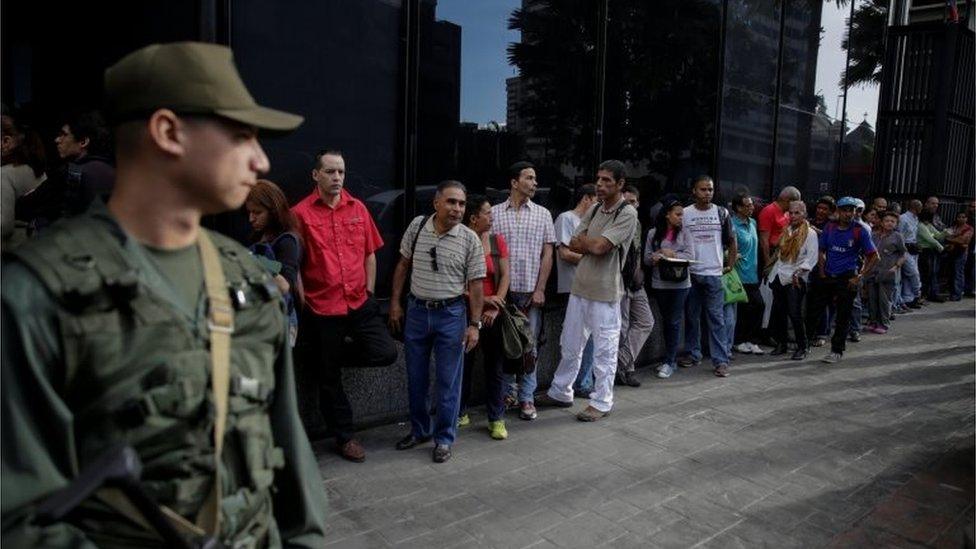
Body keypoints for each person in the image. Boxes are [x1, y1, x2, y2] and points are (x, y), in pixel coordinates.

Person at [1, 42, 327, 547]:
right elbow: (16, 518)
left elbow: (290, 457)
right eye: (241, 135)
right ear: (168, 132)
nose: (260, 159)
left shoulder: (247, 279)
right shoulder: (36, 294)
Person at [291, 149, 397, 463]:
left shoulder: (358, 208)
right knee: (328, 380)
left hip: (358, 300)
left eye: (341, 172)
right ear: (316, 175)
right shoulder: (300, 214)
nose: (337, 178)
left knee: (386, 352)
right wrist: (303, 301)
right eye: (330, 172)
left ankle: (327, 360)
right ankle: (345, 437)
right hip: (322, 308)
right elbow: (293, 263)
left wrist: (368, 287)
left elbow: (369, 252)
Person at [389, 180, 486, 463]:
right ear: (436, 203)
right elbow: (402, 265)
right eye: (451, 202)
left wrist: (474, 325)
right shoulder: (417, 226)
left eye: (461, 203)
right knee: (416, 379)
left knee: (448, 382)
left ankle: (444, 438)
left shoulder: (470, 239)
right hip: (417, 312)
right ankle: (420, 431)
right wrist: (394, 303)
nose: (457, 208)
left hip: (452, 315)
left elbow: (477, 285)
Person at [535, 160, 637, 421]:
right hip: (580, 287)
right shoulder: (594, 209)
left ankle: (602, 401)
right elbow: (573, 242)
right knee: (570, 344)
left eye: (607, 181)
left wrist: (591, 243)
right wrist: (591, 244)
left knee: (605, 349)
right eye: (599, 179)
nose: (600, 185)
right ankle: (561, 391)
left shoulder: (627, 213)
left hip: (605, 291)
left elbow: (600, 247)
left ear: (620, 184)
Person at [490, 161, 556, 421]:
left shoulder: (543, 214)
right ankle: (506, 394)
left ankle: (527, 398)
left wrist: (540, 288)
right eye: (529, 178)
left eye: (535, 178)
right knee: (504, 347)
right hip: (502, 294)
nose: (534, 183)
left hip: (530, 293)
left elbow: (548, 253)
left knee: (529, 348)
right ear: (514, 182)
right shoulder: (494, 213)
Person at [457, 195, 510, 440]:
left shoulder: (497, 241)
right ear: (474, 217)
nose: (492, 216)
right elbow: (456, 284)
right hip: (465, 312)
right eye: (487, 213)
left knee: (495, 367)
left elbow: (505, 276)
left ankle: (496, 418)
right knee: (462, 366)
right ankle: (459, 412)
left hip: (492, 315)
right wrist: (482, 300)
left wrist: (495, 304)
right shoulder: (459, 241)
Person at [805, 197, 878, 364]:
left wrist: (860, 276)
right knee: (814, 310)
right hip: (828, 276)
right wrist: (822, 271)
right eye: (844, 210)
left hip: (847, 277)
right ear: (838, 211)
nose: (848, 214)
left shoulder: (860, 230)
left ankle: (837, 350)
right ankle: (805, 344)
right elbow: (821, 250)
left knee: (843, 316)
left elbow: (874, 256)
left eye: (851, 210)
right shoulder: (830, 228)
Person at [678, 175, 737, 377]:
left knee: (716, 318)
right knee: (692, 317)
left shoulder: (721, 213)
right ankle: (693, 354)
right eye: (703, 189)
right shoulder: (685, 214)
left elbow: (731, 240)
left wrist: (729, 265)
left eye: (710, 189)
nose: (707, 193)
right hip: (691, 273)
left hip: (713, 273)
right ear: (694, 191)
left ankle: (721, 360)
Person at [245, 179, 302, 346]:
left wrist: (255, 260)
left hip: (279, 321)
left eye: (257, 212)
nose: (251, 218)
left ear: (273, 211)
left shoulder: (287, 241)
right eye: (249, 212)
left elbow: (285, 285)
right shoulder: (259, 237)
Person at [554, 184, 597, 396]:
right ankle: (569, 383)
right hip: (571, 286)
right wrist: (592, 260)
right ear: (586, 199)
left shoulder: (593, 223)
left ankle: (584, 381)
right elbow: (564, 253)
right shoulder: (567, 218)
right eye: (596, 200)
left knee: (589, 336)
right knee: (572, 338)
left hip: (590, 287)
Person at [644, 199, 694, 379]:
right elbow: (646, 259)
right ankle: (667, 357)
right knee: (666, 320)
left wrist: (673, 254)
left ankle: (670, 361)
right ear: (667, 214)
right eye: (678, 214)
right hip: (660, 282)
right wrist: (657, 256)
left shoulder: (686, 233)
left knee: (674, 321)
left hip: (681, 283)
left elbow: (690, 256)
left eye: (683, 215)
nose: (681, 218)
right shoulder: (653, 234)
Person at [768, 201, 819, 360]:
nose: (793, 216)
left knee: (795, 313)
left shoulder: (810, 233)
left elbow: (812, 257)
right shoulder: (787, 230)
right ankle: (782, 344)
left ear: (804, 214)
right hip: (780, 275)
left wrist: (799, 272)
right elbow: (780, 254)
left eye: (797, 213)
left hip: (796, 278)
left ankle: (803, 346)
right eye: (791, 213)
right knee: (779, 312)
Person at [615, 185, 653, 387]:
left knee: (646, 321)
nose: (629, 206)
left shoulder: (637, 223)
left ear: (637, 204)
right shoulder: (618, 221)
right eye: (625, 202)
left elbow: (636, 252)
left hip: (635, 282)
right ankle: (627, 370)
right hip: (619, 281)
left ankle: (618, 363)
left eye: (632, 202)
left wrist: (638, 273)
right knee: (622, 327)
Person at [0, 107, 46, 249]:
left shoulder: (4, 174)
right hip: (37, 248)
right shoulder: (36, 170)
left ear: (6, 142)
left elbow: (3, 226)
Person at [55, 111, 116, 215]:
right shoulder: (113, 170)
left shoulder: (73, 172)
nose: (57, 140)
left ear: (83, 142)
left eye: (64, 135)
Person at [728, 193, 765, 356]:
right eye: (748, 205)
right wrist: (730, 255)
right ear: (738, 208)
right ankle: (739, 341)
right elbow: (724, 246)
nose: (752, 208)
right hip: (738, 274)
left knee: (757, 306)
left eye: (752, 205)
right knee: (744, 309)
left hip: (753, 273)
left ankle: (751, 340)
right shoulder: (731, 224)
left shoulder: (753, 223)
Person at [864, 211, 906, 334]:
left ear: (896, 224)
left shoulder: (897, 237)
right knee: (872, 299)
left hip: (887, 272)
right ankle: (872, 322)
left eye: (892, 221)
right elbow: (868, 253)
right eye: (887, 221)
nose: (889, 223)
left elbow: (903, 255)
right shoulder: (874, 235)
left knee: (884, 300)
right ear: (882, 222)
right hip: (872, 271)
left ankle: (883, 323)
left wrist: (895, 267)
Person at [758, 186, 800, 270]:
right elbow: (764, 240)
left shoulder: (787, 213)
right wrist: (768, 263)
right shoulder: (769, 211)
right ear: (788, 201)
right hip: (771, 253)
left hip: (783, 256)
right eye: (795, 203)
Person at [898, 199, 924, 309]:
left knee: (908, 276)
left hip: (914, 248)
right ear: (915, 207)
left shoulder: (915, 218)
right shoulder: (903, 218)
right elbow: (900, 235)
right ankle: (918, 293)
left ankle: (908, 298)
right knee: (913, 273)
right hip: (906, 248)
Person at [944, 210, 974, 301]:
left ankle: (957, 294)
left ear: (966, 218)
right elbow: (946, 236)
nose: (961, 219)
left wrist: (952, 239)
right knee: (952, 273)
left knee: (958, 273)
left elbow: (964, 240)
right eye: (959, 217)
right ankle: (952, 292)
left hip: (961, 253)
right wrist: (955, 239)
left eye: (963, 217)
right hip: (952, 252)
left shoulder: (969, 228)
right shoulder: (954, 227)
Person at [917, 209, 946, 303]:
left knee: (930, 274)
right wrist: (940, 247)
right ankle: (922, 295)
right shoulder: (920, 226)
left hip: (930, 251)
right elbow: (930, 239)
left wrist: (945, 232)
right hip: (924, 251)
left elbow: (938, 235)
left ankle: (926, 294)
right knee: (925, 274)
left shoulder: (928, 225)